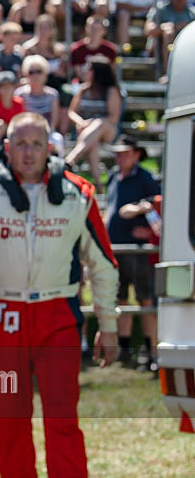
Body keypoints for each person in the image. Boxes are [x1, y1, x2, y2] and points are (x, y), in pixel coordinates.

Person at [0, 112, 119, 478]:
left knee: (63, 417)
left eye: (36, 144)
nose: (29, 153)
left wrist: (108, 324)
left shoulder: (79, 193)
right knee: (11, 421)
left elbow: (103, 264)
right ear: (6, 148)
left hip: (58, 315)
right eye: (20, 144)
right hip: (1, 318)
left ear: (50, 148)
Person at [104, 134, 161, 371]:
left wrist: (149, 233)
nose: (119, 157)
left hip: (138, 252)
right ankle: (126, 350)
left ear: (137, 154)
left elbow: (158, 208)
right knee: (121, 300)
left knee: (145, 300)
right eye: (117, 153)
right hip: (116, 249)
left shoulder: (146, 178)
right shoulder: (113, 177)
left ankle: (151, 352)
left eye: (125, 152)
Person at [65, 55, 122, 191]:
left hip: (107, 130)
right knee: (92, 143)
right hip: (87, 133)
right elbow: (71, 112)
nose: (84, 71)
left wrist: (90, 124)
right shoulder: (83, 89)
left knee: (98, 123)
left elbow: (113, 118)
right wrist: (81, 122)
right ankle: (99, 185)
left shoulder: (111, 90)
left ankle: (71, 159)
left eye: (88, 68)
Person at [145, 0, 195, 75]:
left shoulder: (191, 13)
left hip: (186, 48)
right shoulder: (160, 9)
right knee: (169, 32)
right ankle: (167, 73)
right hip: (159, 47)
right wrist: (169, 27)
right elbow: (149, 30)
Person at [0, 71, 25, 160]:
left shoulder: (19, 103)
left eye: (9, 85)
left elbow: (19, 123)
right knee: (0, 124)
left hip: (13, 132)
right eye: (3, 86)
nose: (6, 89)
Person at [70, 15, 118, 81]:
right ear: (86, 28)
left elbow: (112, 72)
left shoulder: (110, 50)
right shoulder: (76, 49)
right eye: (92, 28)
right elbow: (80, 75)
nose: (94, 32)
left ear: (104, 31)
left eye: (98, 29)